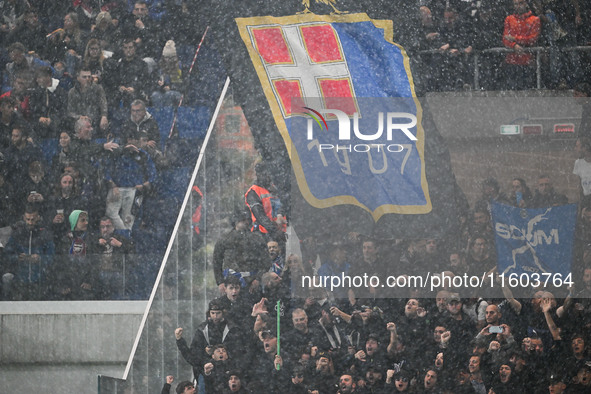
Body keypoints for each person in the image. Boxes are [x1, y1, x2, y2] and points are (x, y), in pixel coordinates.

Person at [104, 129, 156, 230]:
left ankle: (125, 238)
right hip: (117, 188)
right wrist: (112, 185)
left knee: (128, 219)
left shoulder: (143, 155)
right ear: (128, 140)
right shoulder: (117, 153)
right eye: (132, 140)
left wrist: (144, 185)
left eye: (137, 140)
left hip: (133, 190)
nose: (135, 143)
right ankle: (124, 233)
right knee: (110, 214)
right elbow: (106, 170)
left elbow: (152, 173)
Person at [2, 203, 54, 300]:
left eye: (33, 219)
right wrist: (17, 257)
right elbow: (6, 255)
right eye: (28, 219)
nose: (30, 222)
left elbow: (52, 257)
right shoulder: (17, 235)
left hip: (40, 282)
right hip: (20, 282)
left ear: (38, 218)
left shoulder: (45, 235)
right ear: (23, 218)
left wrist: (40, 258)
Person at [212, 209, 268, 293]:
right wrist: (220, 282)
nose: (246, 222)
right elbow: (216, 261)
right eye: (243, 219)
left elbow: (266, 262)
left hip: (251, 282)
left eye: (247, 219)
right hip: (231, 282)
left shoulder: (257, 239)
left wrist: (257, 279)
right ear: (236, 220)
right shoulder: (225, 238)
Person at [89, 216, 135, 299]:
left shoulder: (122, 239)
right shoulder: (94, 240)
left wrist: (120, 245)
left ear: (113, 227)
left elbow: (133, 256)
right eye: (103, 227)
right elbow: (89, 256)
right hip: (99, 273)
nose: (105, 229)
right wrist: (97, 243)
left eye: (108, 226)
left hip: (116, 272)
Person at [502, 0, 541, 90]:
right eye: (516, 4)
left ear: (526, 4)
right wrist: (514, 45)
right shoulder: (509, 19)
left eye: (521, 3)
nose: (518, 6)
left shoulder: (534, 19)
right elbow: (505, 39)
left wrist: (514, 40)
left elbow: (533, 39)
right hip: (512, 62)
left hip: (527, 62)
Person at [245, 162, 286, 243]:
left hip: (277, 233)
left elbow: (280, 205)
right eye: (265, 174)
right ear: (258, 175)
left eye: (269, 174)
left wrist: (279, 215)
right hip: (262, 234)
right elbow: (260, 216)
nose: (268, 177)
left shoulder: (273, 189)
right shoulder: (253, 192)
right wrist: (274, 231)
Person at [67, 65, 109, 135]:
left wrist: (104, 116)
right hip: (79, 125)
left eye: (89, 76)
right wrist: (79, 117)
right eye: (84, 77)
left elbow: (103, 104)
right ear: (78, 78)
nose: (87, 79)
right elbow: (70, 111)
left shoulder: (98, 89)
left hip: (96, 123)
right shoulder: (72, 92)